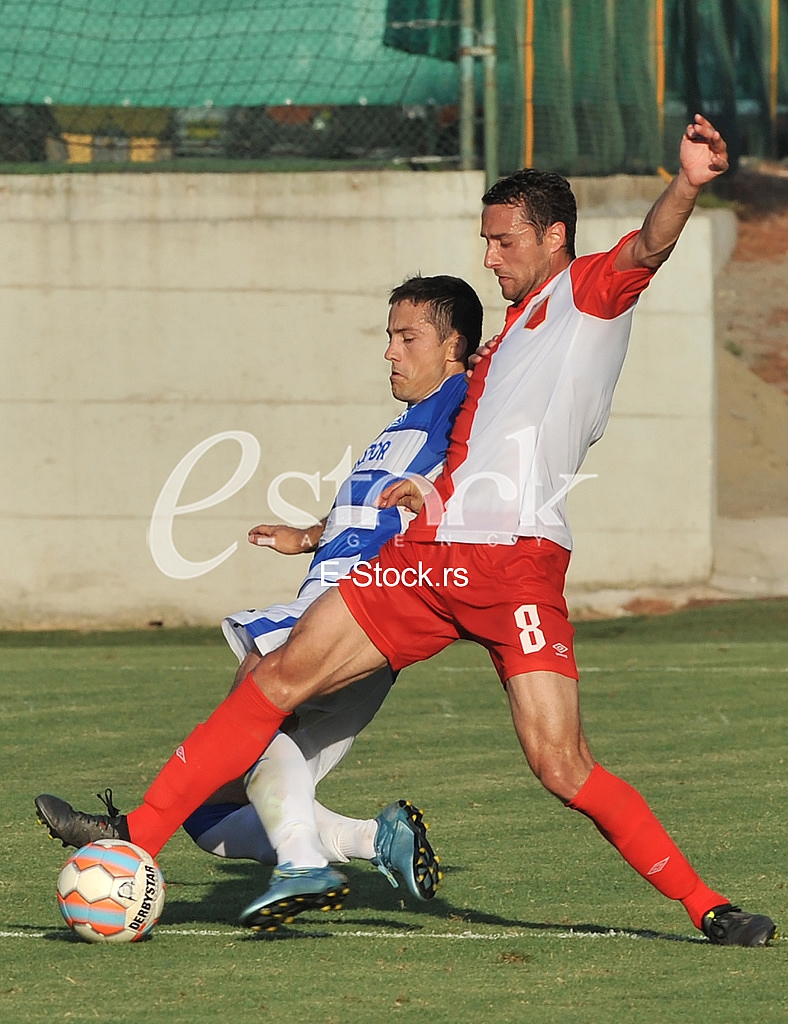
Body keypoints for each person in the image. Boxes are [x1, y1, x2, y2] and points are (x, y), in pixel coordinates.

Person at [36, 116, 776, 947]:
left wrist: (687, 183)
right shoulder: (499, 346)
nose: (489, 256)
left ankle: (705, 905)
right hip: (424, 564)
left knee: (562, 767)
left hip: (518, 571)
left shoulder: (584, 297)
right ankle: (135, 837)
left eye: (502, 241)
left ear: (555, 236)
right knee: (273, 677)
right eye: (485, 241)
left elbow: (647, 247)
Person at [40, 274, 483, 930]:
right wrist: (306, 535)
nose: (389, 351)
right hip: (338, 615)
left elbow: (491, 449)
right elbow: (369, 511)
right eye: (388, 335)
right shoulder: (401, 425)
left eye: (406, 337)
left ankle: (156, 838)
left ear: (455, 347)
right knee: (211, 813)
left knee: (253, 691)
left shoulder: (462, 399)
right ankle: (372, 840)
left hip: (360, 607)